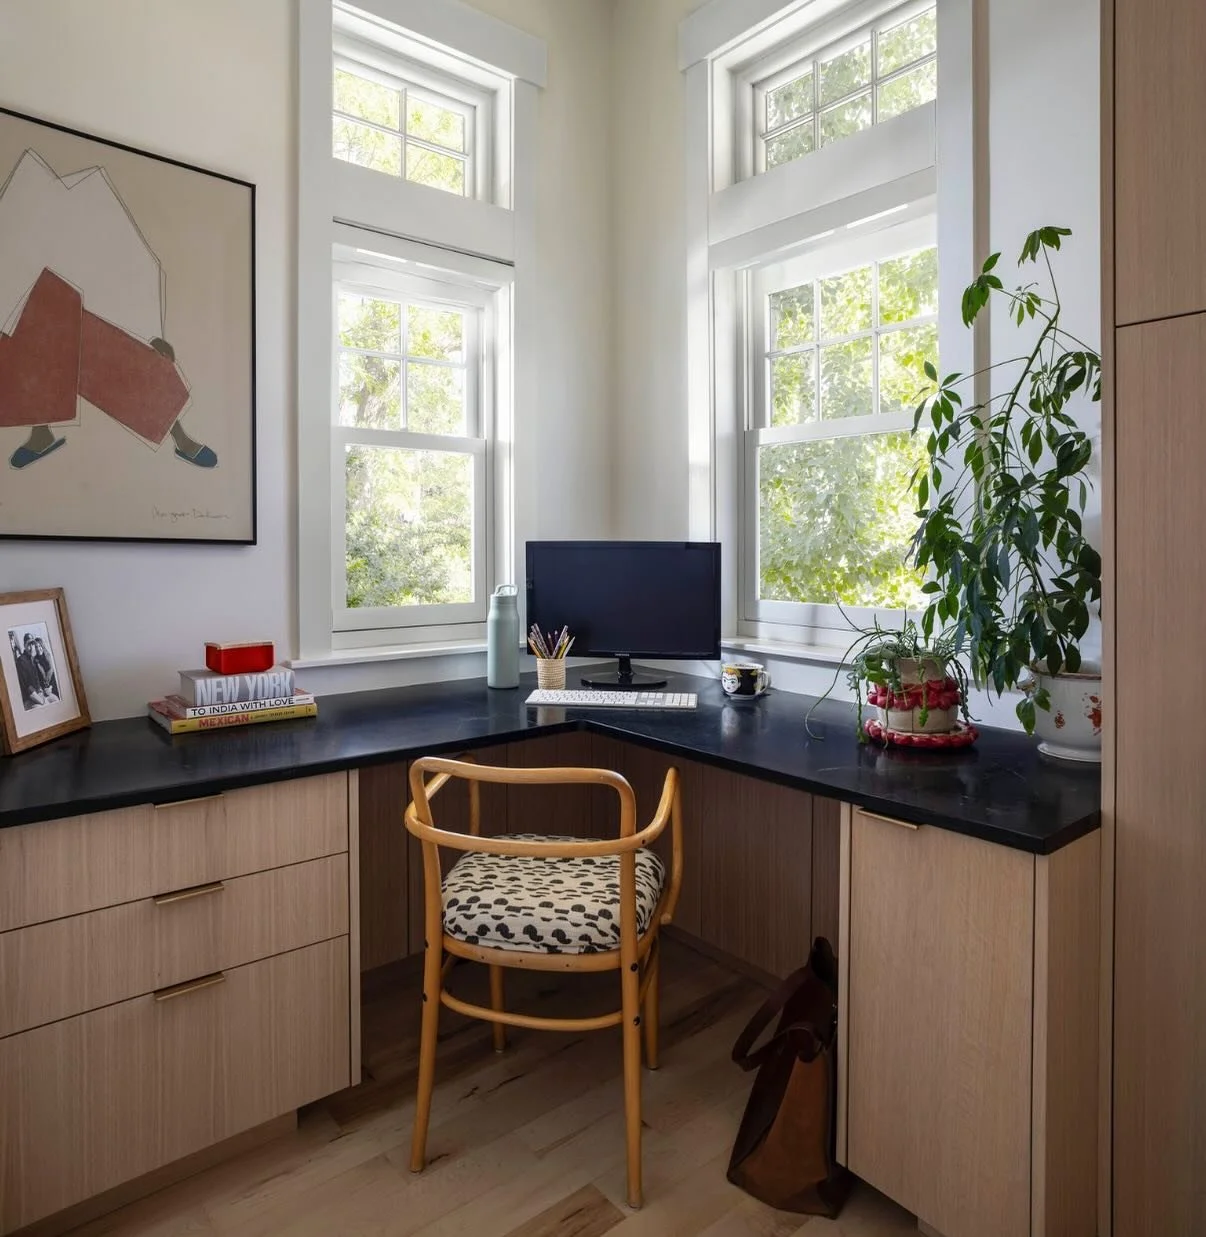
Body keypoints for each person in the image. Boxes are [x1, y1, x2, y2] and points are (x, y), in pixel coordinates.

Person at [14, 634, 45, 708]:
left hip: (37, 694)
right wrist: (41, 700)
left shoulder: (33, 659)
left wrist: (40, 691)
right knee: (42, 706)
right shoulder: (21, 661)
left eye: (33, 644)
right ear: (24, 645)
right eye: (29, 645)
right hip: (28, 699)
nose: (31, 648)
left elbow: (37, 680)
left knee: (54, 699)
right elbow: (27, 687)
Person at [32, 637, 58, 702]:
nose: (38, 649)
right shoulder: (35, 660)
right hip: (43, 689)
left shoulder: (48, 656)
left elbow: (53, 674)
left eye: (39, 646)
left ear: (42, 646)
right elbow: (37, 678)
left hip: (52, 686)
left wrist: (50, 687)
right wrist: (43, 689)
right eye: (36, 647)